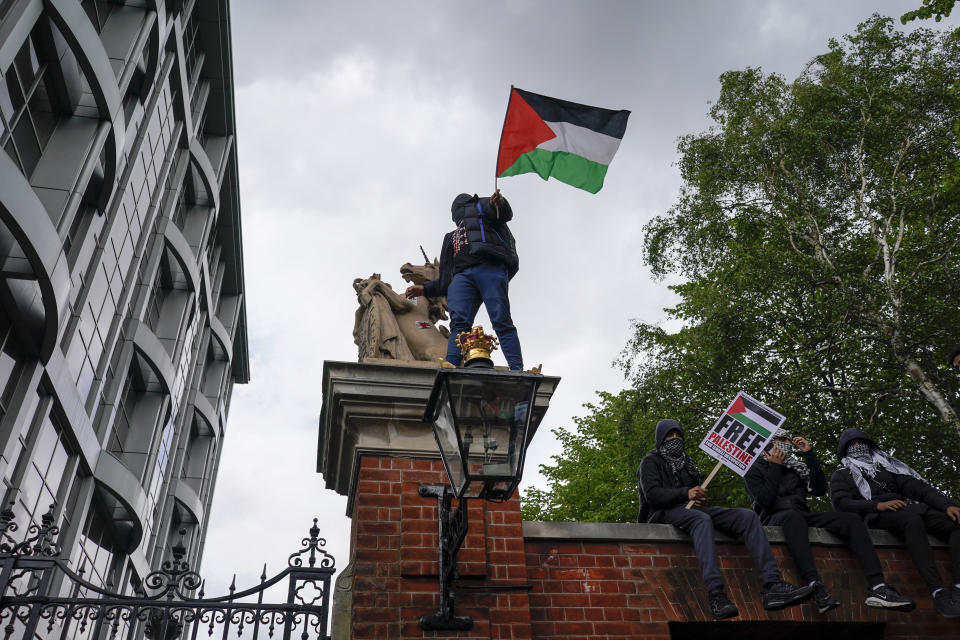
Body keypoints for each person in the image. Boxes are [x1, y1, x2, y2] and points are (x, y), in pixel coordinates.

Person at [637, 419, 814, 620]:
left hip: (692, 509)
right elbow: (652, 495)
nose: (675, 439)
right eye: (670, 435)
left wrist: (699, 497)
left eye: (678, 435)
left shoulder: (687, 464)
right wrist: (685, 493)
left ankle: (773, 585)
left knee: (747, 516)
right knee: (702, 520)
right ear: (661, 438)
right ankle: (716, 594)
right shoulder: (650, 461)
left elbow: (694, 494)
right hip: (665, 512)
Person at [745, 430, 914, 613]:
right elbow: (765, 501)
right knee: (793, 518)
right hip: (775, 517)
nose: (784, 443)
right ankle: (815, 585)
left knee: (850, 519)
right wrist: (775, 467)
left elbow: (819, 489)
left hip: (801, 514)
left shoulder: (795, 466)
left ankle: (878, 587)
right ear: (768, 443)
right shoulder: (753, 467)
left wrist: (809, 455)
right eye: (779, 439)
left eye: (787, 439)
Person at [830, 427, 960, 618]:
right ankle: (937, 591)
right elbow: (842, 504)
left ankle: (958, 587)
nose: (857, 446)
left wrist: (947, 505)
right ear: (844, 450)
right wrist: (877, 506)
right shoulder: (841, 475)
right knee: (912, 521)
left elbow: (918, 488)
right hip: (877, 516)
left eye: (860, 442)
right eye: (852, 444)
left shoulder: (888, 468)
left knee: (955, 522)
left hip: (906, 508)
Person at [405, 190, 522, 370]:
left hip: (489, 266)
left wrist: (499, 203)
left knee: (500, 319)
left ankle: (516, 368)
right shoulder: (450, 237)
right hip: (461, 278)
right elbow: (444, 280)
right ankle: (451, 366)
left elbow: (503, 214)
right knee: (459, 324)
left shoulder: (481, 209)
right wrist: (425, 289)